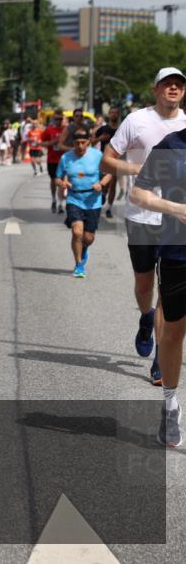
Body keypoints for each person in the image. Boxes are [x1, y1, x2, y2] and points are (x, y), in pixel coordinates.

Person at [103, 67, 186, 386]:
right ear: (156, 90)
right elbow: (107, 160)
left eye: (179, 85)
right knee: (143, 285)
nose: (174, 88)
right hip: (140, 216)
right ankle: (145, 318)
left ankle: (159, 362)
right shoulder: (136, 120)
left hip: (174, 223)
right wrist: (142, 168)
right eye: (168, 84)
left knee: (168, 293)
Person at [129, 126, 186, 447]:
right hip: (178, 252)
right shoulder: (172, 145)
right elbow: (139, 192)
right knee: (174, 333)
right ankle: (170, 403)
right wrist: (176, 209)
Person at [56, 128, 112, 277]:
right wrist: (62, 184)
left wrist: (101, 184)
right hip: (74, 198)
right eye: (76, 143)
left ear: (88, 142)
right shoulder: (65, 158)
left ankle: (84, 248)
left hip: (93, 201)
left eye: (83, 142)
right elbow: (58, 177)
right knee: (77, 231)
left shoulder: (98, 156)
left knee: (88, 238)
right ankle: (79, 265)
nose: (80, 146)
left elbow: (109, 174)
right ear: (73, 143)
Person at [94, 108, 121, 218]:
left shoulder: (121, 129)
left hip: (116, 160)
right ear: (109, 114)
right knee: (104, 183)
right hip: (104, 160)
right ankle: (104, 193)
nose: (114, 115)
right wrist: (100, 138)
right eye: (112, 113)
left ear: (118, 115)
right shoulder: (103, 129)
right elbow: (91, 142)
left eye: (116, 113)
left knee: (113, 184)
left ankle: (109, 208)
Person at [42, 111, 68, 212]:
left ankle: (60, 203)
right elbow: (42, 143)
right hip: (52, 159)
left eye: (60, 119)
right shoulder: (49, 130)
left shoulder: (66, 130)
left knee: (61, 181)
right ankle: (54, 199)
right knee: (53, 181)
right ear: (53, 119)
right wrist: (51, 143)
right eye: (56, 119)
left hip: (64, 159)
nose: (58, 121)